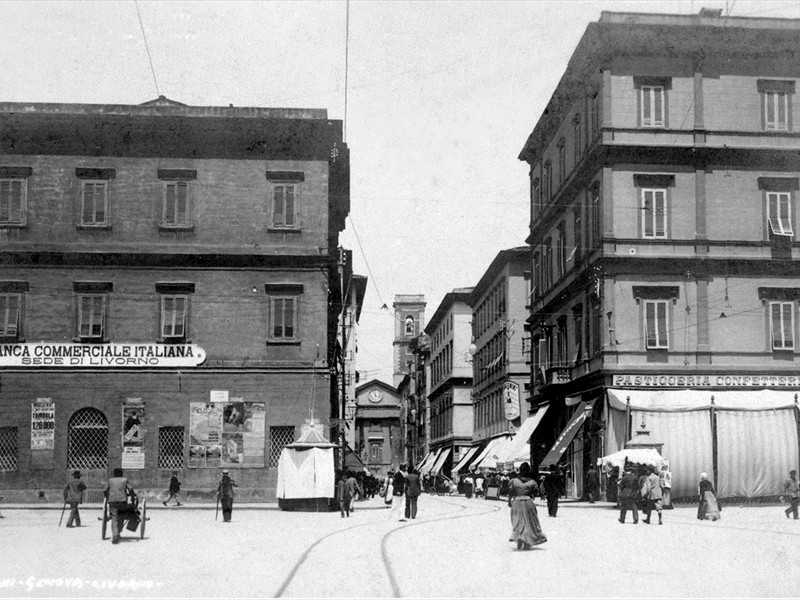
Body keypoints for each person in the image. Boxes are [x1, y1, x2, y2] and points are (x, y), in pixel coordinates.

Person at [508, 462, 547, 551]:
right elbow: (536, 492)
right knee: (529, 522)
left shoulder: (514, 481)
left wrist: (509, 501)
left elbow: (511, 492)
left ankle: (519, 540)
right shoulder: (532, 482)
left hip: (517, 501)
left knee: (517, 521)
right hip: (528, 502)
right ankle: (527, 542)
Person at [104, 468, 137, 544]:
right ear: (121, 474)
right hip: (122, 501)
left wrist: (107, 497)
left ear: (114, 474)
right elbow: (131, 489)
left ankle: (115, 535)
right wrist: (132, 499)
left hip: (112, 502)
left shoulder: (110, 480)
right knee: (121, 515)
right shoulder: (125, 480)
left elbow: (105, 490)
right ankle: (118, 532)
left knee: (114, 518)